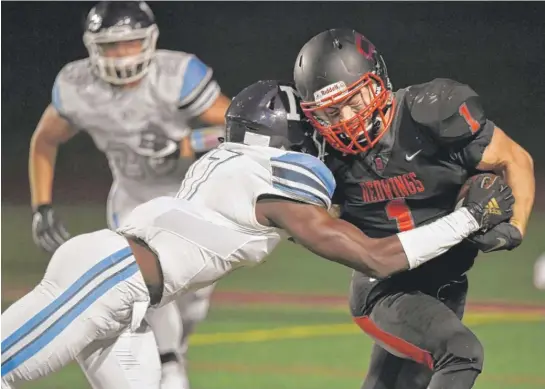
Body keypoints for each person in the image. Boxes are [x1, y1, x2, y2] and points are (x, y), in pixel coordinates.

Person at [2, 80, 513, 389]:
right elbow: (377, 259)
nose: (323, 142)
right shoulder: (270, 182)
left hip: (128, 303)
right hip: (107, 279)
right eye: (313, 132)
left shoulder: (233, 162)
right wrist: (467, 219)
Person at [293, 28, 535, 389]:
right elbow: (309, 226)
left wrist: (514, 226)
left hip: (446, 283)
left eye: (353, 101)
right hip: (385, 288)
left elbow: (514, 159)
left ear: (377, 83)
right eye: (330, 112)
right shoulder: (323, 157)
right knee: (461, 353)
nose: (346, 118)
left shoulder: (431, 114)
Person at [27, 2, 230, 388]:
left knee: (192, 307)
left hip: (194, 198)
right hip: (133, 200)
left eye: (131, 43)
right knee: (154, 291)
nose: (121, 55)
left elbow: (244, 126)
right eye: (110, 46)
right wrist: (42, 205)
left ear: (150, 40)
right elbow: (45, 140)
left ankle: (172, 355)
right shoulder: (77, 85)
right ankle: (168, 367)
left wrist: (187, 144)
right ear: (92, 46)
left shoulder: (177, 75)